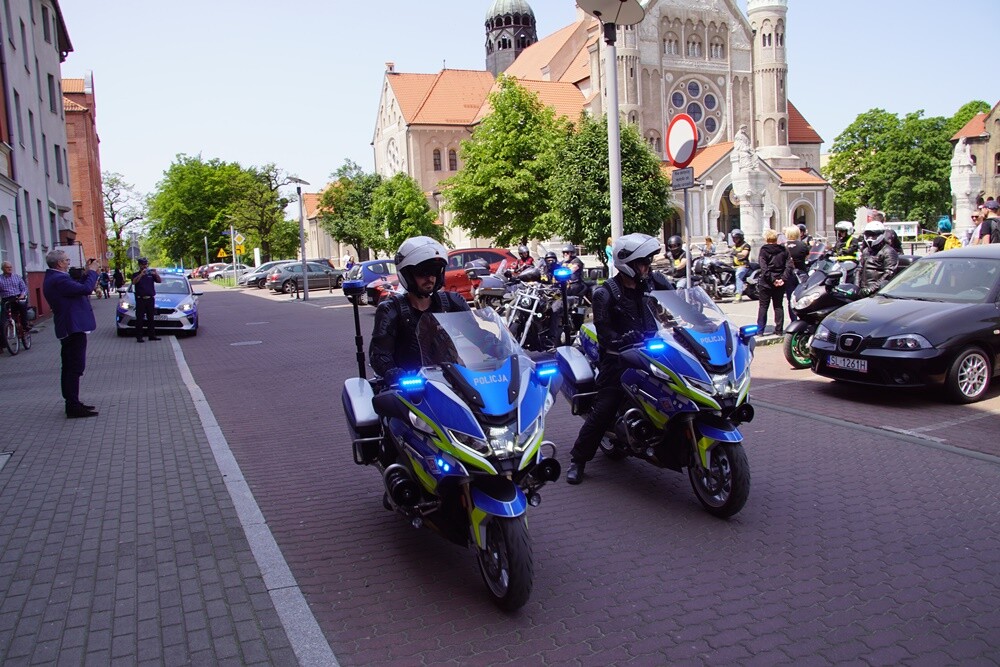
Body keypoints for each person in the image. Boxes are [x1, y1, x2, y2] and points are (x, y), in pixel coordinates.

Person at [567, 233, 664, 485]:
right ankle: (578, 459)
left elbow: (678, 302)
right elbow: (604, 330)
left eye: (647, 262)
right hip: (618, 359)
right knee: (605, 406)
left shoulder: (650, 283)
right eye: (642, 263)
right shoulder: (605, 293)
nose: (647, 267)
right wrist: (620, 340)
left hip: (651, 353)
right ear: (627, 264)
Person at [369, 236, 470, 385]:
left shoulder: (451, 302)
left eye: (434, 272)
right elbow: (379, 354)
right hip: (412, 387)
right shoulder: (391, 309)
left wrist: (500, 349)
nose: (430, 278)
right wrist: (392, 372)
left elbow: (477, 335)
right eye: (422, 272)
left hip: (452, 380)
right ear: (408, 274)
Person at [42, 250, 100, 418]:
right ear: (59, 263)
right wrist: (92, 272)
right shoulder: (59, 279)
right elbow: (86, 289)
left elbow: (77, 289)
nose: (68, 263)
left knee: (69, 367)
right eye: (66, 260)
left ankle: (73, 402)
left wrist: (86, 273)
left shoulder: (55, 279)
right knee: (74, 368)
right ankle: (72, 406)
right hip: (72, 328)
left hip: (70, 327)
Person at [549, 243, 588, 346]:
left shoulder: (576, 261)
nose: (565, 254)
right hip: (560, 287)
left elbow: (572, 269)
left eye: (568, 252)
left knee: (556, 307)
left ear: (572, 253)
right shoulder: (561, 263)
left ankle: (552, 335)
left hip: (574, 287)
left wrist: (565, 271)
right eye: (564, 252)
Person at [756, 229, 792, 335]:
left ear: (766, 238)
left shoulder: (763, 250)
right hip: (780, 281)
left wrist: (772, 279)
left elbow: (763, 267)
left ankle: (760, 331)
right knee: (778, 306)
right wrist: (782, 279)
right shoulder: (784, 250)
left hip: (766, 282)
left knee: (763, 306)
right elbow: (788, 265)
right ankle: (779, 330)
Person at [856, 221, 899, 297]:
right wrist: (856, 287)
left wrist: (871, 288)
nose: (870, 238)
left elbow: (889, 273)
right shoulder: (866, 251)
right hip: (863, 289)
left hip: (878, 292)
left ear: (881, 235)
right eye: (868, 235)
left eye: (873, 235)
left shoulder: (888, 251)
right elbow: (859, 269)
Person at [131, 257, 162, 342]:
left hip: (150, 299)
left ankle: (152, 335)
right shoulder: (136, 274)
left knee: (151, 318)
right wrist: (141, 274)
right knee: (140, 319)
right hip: (140, 299)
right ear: (140, 265)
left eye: (146, 264)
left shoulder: (150, 274)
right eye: (143, 265)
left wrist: (156, 274)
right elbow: (134, 282)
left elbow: (159, 281)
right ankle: (139, 337)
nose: (145, 266)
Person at [0, 261, 34, 339]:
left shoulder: (17, 277)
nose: (9, 269)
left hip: (18, 297)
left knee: (22, 305)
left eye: (10, 267)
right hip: (6, 299)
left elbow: (24, 288)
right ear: (2, 269)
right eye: (7, 267)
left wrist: (22, 295)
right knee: (2, 321)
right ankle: (3, 344)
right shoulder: (0, 279)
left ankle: (25, 325)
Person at [783, 226, 809, 322]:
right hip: (801, 273)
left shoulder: (783, 246)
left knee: (791, 299)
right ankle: (804, 319)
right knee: (803, 297)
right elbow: (807, 256)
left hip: (788, 274)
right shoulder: (802, 245)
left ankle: (793, 320)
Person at [730, 229, 751, 299]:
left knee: (738, 275)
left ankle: (738, 294)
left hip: (743, 266)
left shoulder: (745, 245)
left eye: (736, 238)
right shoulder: (733, 246)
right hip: (734, 266)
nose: (735, 240)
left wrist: (735, 253)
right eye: (733, 238)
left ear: (740, 237)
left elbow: (744, 254)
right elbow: (727, 252)